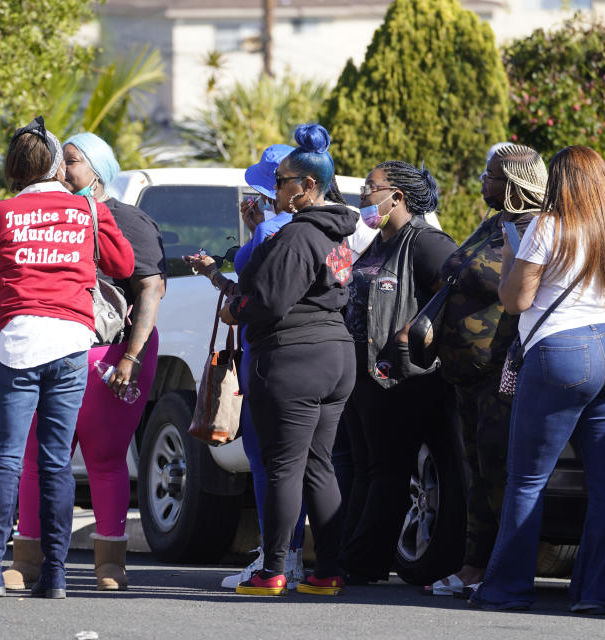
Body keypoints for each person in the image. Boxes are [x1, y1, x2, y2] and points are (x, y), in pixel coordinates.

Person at [470, 145, 605, 613]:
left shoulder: (546, 226)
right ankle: (598, 593)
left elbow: (515, 301)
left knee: (527, 479)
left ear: (559, 181)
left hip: (562, 352)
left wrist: (512, 257)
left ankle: (507, 589)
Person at [0, 117, 134, 600]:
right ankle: (54, 575)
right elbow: (123, 266)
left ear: (12, 168)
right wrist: (93, 215)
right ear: (57, 165)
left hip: (17, 340)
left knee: (6, 460)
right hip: (72, 342)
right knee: (57, 463)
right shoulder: (87, 210)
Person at [7, 132, 166, 592]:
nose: (62, 170)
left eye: (71, 162)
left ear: (98, 170)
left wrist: (130, 358)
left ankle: (110, 564)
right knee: (37, 454)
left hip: (113, 352)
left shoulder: (125, 219)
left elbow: (151, 290)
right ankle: (27, 560)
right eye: (61, 162)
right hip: (56, 347)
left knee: (104, 454)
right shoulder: (53, 215)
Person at [217, 123, 356, 596]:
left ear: (308, 186)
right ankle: (328, 571)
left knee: (284, 466)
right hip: (336, 356)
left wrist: (235, 307)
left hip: (295, 357)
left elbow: (270, 301)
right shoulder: (338, 232)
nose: (275, 189)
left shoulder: (299, 235)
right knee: (318, 464)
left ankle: (273, 569)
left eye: (282, 181)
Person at [184, 143, 311, 590]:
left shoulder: (271, 229)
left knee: (266, 463)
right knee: (303, 464)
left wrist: (254, 230)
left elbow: (251, 293)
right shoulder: (317, 228)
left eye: (264, 184)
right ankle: (294, 557)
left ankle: (275, 559)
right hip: (314, 356)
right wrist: (216, 275)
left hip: (269, 356)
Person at [428, 143, 548, 596]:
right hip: (466, 374)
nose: (483, 181)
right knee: (476, 471)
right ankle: (473, 565)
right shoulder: (495, 222)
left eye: (490, 174)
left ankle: (503, 568)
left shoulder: (537, 229)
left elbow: (516, 294)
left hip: (503, 373)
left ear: (515, 184)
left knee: (499, 470)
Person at [338, 161, 458, 584]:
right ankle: (348, 558)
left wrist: (417, 330)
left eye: (371, 187)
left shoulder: (424, 242)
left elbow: (456, 286)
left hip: (401, 378)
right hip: (363, 376)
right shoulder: (379, 243)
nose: (364, 195)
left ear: (398, 197)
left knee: (386, 470)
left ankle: (363, 562)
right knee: (364, 467)